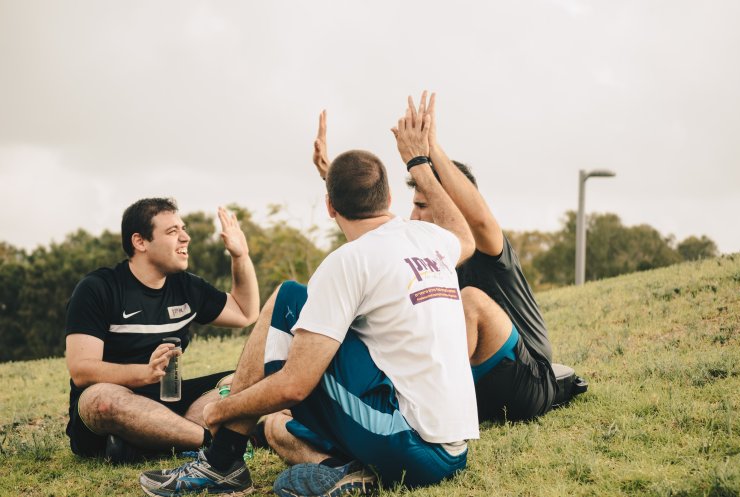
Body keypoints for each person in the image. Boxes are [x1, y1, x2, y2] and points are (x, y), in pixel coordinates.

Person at [139, 101, 479, 497]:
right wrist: (418, 159)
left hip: (410, 444)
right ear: (388, 199)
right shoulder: (432, 239)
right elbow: (465, 234)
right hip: (454, 449)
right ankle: (339, 471)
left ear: (330, 206)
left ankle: (222, 461)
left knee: (287, 299)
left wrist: (221, 408)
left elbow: (295, 387)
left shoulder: (346, 261)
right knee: (281, 425)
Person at [64, 198, 260, 463]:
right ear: (140, 242)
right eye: (172, 232)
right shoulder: (99, 288)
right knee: (101, 399)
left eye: (183, 229)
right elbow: (81, 370)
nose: (186, 238)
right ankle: (211, 441)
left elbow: (244, 312)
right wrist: (144, 373)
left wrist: (240, 256)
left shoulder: (186, 287)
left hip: (173, 403)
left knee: (248, 379)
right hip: (116, 402)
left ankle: (159, 442)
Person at [403, 92, 557, 422]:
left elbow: (481, 219)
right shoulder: (426, 257)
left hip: (527, 381)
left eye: (422, 206)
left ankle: (434, 413)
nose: (413, 217)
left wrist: (429, 152)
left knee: (469, 299)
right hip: (480, 391)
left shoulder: (484, 245)